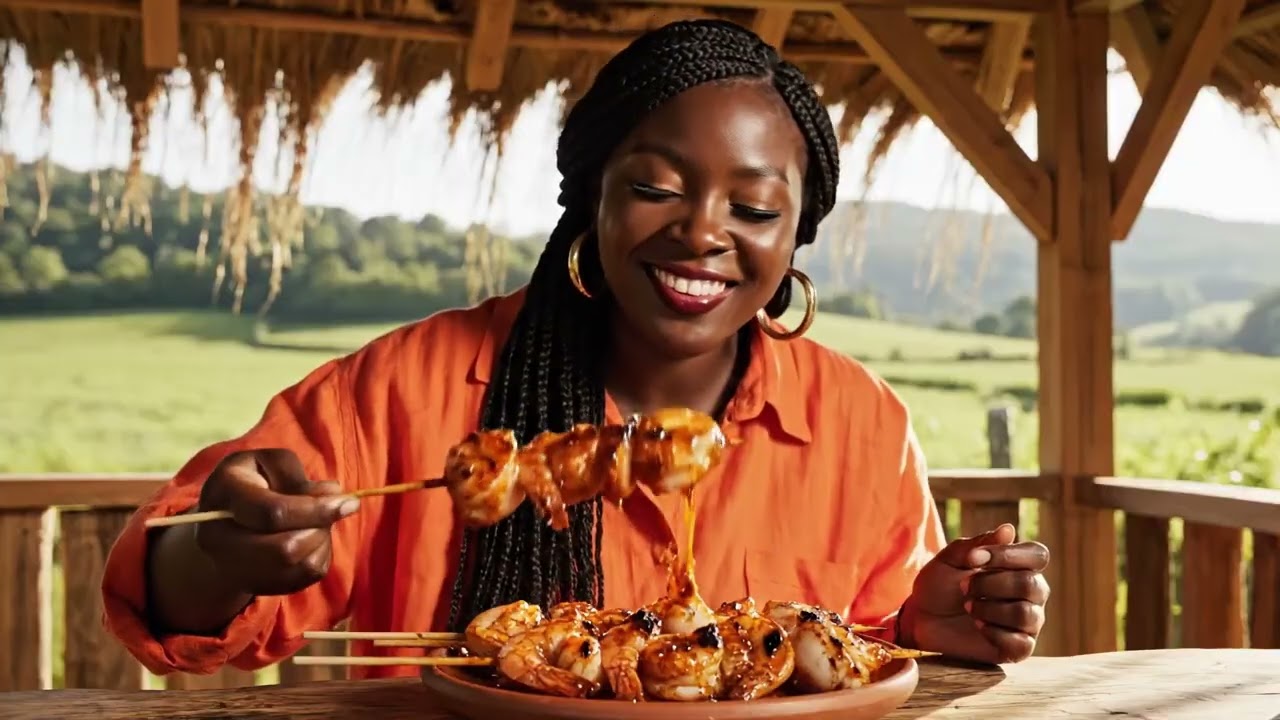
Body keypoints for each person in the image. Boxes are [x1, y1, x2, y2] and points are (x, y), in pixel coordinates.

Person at [102, 19, 1050, 681]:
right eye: (656, 187)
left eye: (755, 209)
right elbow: (175, 611)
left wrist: (931, 626)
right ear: (588, 199)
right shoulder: (405, 389)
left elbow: (867, 656)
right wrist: (225, 555)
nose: (703, 232)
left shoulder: (862, 424)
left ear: (795, 239)